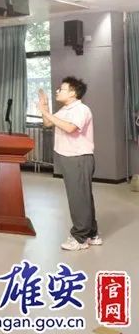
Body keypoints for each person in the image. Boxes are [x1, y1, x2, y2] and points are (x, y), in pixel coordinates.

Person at [38, 77, 101, 251]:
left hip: (78, 158)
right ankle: (92, 234)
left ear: (73, 92)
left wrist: (46, 112)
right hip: (70, 157)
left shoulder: (81, 109)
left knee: (78, 198)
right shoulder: (65, 109)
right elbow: (48, 123)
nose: (57, 91)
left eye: (61, 89)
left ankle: (79, 238)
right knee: (83, 197)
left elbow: (70, 128)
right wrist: (45, 108)